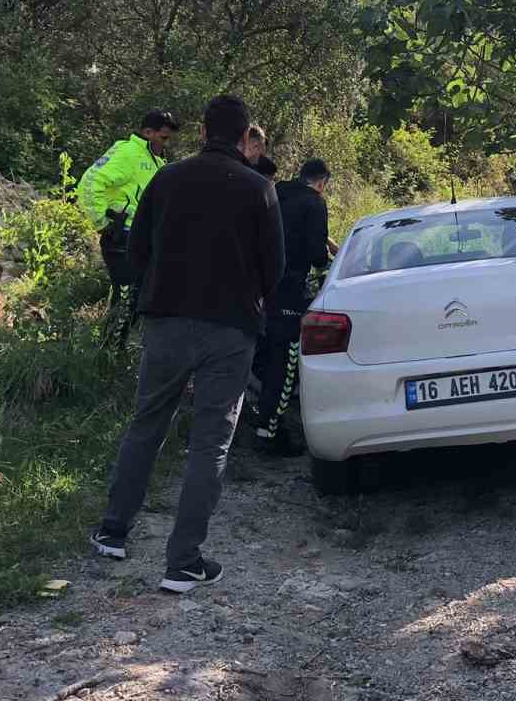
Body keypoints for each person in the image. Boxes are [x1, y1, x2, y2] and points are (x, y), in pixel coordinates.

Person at [90, 95, 285, 592]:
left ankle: (113, 532)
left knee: (147, 423)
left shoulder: (166, 178)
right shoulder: (259, 188)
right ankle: (183, 562)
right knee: (210, 442)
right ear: (245, 139)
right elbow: (275, 268)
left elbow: (137, 251)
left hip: (168, 320)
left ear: (202, 130)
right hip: (231, 327)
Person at [252, 159, 334, 454]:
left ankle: (258, 420)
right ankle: (269, 433)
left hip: (258, 288)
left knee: (262, 354)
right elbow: (316, 254)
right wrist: (327, 262)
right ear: (322, 182)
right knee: (284, 361)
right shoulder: (313, 203)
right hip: (289, 288)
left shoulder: (275, 192)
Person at [76, 110, 180, 286]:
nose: (166, 144)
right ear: (148, 133)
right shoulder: (128, 152)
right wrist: (101, 223)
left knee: (137, 295)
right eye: (163, 138)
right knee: (126, 297)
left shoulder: (153, 158)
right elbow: (90, 183)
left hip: (138, 236)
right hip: (121, 236)